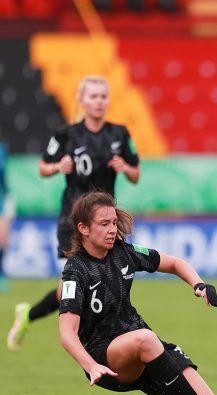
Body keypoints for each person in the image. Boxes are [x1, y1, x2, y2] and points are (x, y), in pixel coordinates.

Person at [58, 191, 217, 395]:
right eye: (104, 224)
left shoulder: (124, 252)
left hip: (147, 350)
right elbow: (66, 334)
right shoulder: (75, 270)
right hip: (107, 359)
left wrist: (198, 284)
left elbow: (174, 263)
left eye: (114, 222)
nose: (112, 229)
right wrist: (90, 366)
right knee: (147, 340)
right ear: (83, 228)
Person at [7, 75, 140, 351]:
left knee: (97, 280)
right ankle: (89, 337)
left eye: (103, 96)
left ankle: (31, 316)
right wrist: (58, 167)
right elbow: (43, 166)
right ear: (81, 100)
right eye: (93, 96)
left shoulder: (119, 134)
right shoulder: (66, 135)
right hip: (74, 221)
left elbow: (136, 174)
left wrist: (125, 168)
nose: (99, 102)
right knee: (74, 282)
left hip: (105, 223)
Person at [0, 142, 14, 293]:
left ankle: (1, 273)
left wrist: (9, 198)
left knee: (3, 239)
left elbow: (4, 180)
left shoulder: (2, 151)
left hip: (0, 203)